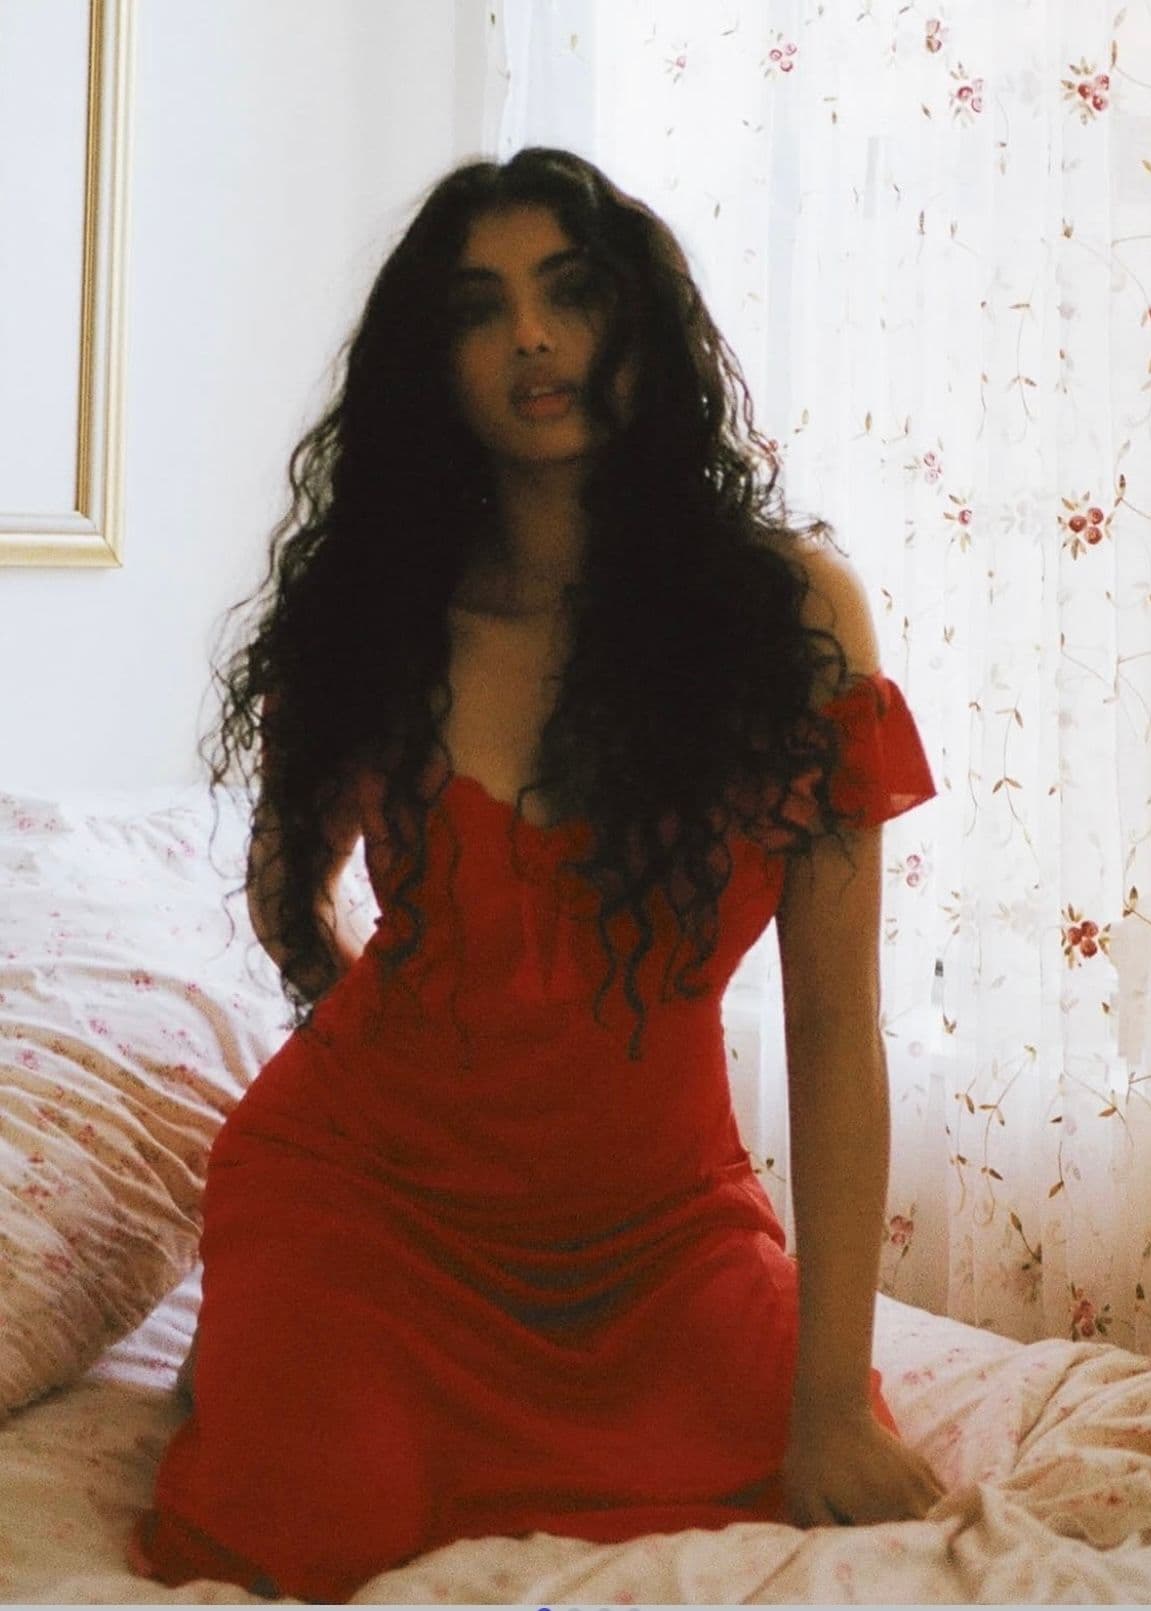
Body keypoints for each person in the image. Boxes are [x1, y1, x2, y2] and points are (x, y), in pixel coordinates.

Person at [128, 146, 945, 1602]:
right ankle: (271, 1312)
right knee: (310, 1524)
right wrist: (397, 1019)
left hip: (657, 1233)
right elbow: (287, 893)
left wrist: (830, 1402)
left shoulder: (793, 619)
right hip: (369, 1195)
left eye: (571, 294)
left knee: (810, 1469)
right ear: (428, 364)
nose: (530, 338)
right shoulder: (376, 609)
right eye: (478, 308)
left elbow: (834, 1025)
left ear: (641, 322)